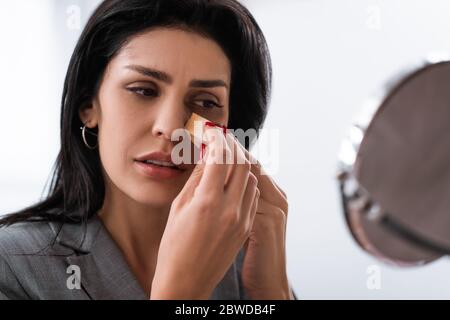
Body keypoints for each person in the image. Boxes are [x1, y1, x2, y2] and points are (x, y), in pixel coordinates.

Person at [0, 0, 295, 300]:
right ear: (88, 106)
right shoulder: (10, 267)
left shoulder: (246, 264)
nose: (171, 128)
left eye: (206, 102)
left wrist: (272, 291)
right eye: (143, 90)